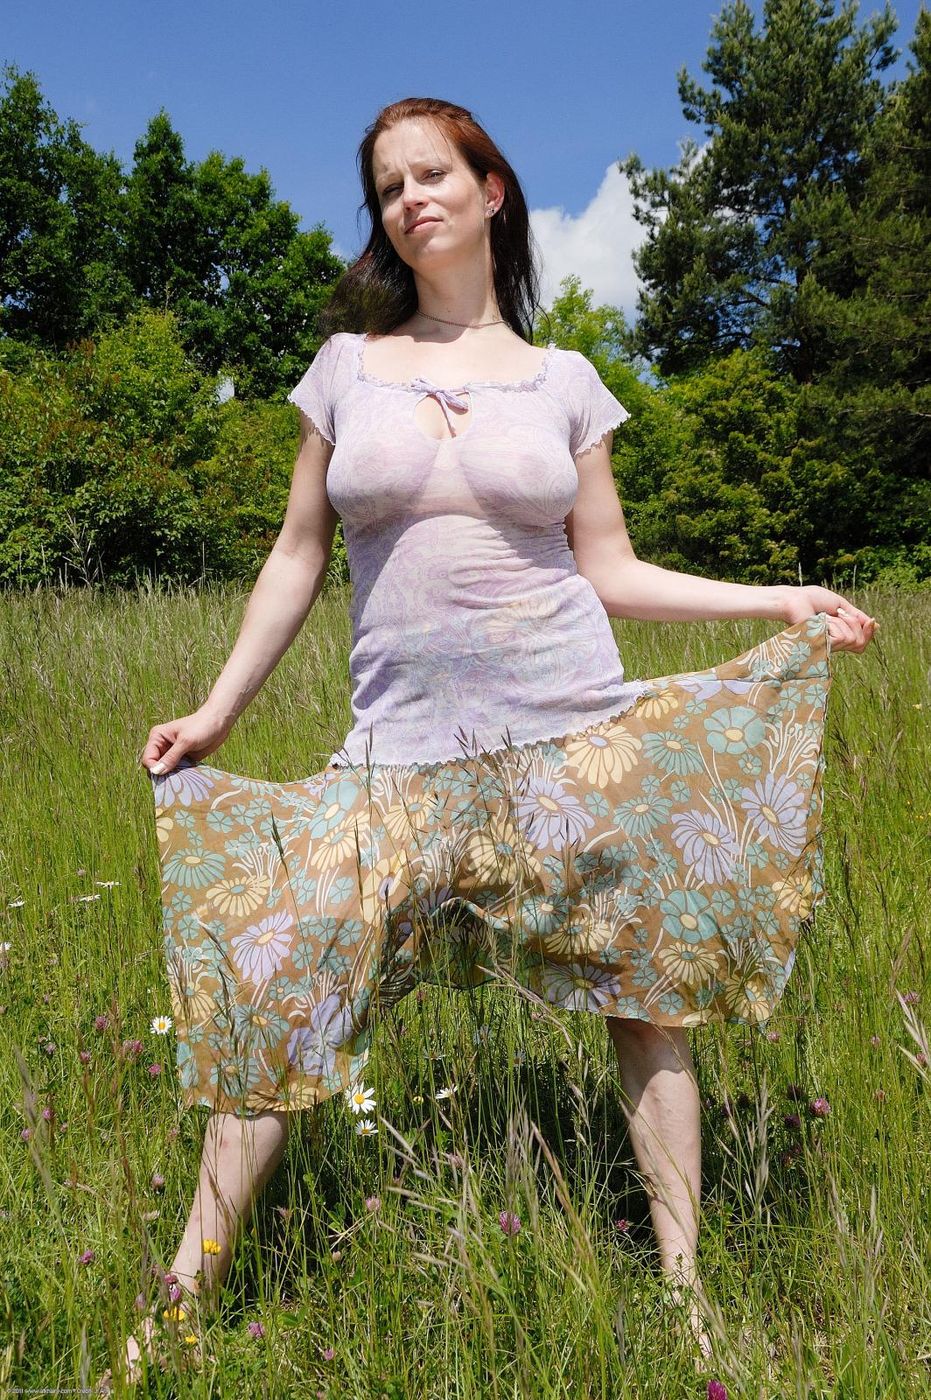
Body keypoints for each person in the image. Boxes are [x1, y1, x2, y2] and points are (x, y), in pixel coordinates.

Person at [100, 97, 876, 1389]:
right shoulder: (345, 368)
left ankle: (687, 1301)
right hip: (397, 752)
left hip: (570, 737)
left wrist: (777, 599)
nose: (411, 199)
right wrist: (219, 709)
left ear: (491, 189)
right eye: (388, 186)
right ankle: (178, 1305)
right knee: (286, 996)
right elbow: (296, 556)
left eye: (433, 174)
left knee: (648, 1004)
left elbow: (611, 569)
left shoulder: (565, 382)